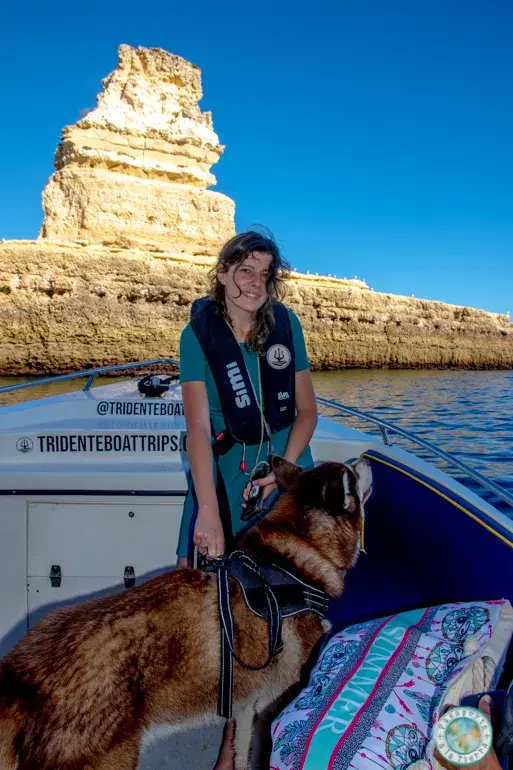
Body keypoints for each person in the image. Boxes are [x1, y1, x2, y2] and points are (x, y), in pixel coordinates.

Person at [176, 229, 318, 570]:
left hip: (289, 461)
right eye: (246, 270)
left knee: (293, 577)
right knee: (195, 576)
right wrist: (207, 511)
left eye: (266, 274)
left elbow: (308, 412)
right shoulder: (196, 336)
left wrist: (282, 471)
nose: (257, 283)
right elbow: (197, 429)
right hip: (227, 470)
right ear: (222, 273)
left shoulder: (287, 325)